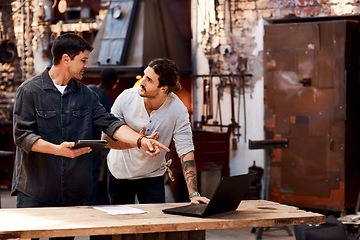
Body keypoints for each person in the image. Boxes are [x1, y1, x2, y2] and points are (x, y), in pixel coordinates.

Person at [12, 33, 169, 220]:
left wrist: (140, 140)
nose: (87, 66)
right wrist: (57, 150)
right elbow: (22, 135)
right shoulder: (29, 90)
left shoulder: (86, 95)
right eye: (83, 60)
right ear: (66, 59)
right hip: (34, 189)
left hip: (70, 192)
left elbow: (111, 124)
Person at [102, 58, 210, 205]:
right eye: (144, 76)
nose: (142, 82)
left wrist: (194, 194)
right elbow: (106, 140)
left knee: (155, 224)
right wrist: (138, 142)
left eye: (149, 80)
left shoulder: (178, 110)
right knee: (122, 224)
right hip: (120, 173)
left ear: (163, 88)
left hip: (152, 175)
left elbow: (186, 151)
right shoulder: (126, 97)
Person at [85, 68, 118, 205]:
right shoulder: (108, 101)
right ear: (114, 83)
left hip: (76, 139)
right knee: (93, 175)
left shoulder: (88, 89)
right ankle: (89, 204)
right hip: (94, 145)